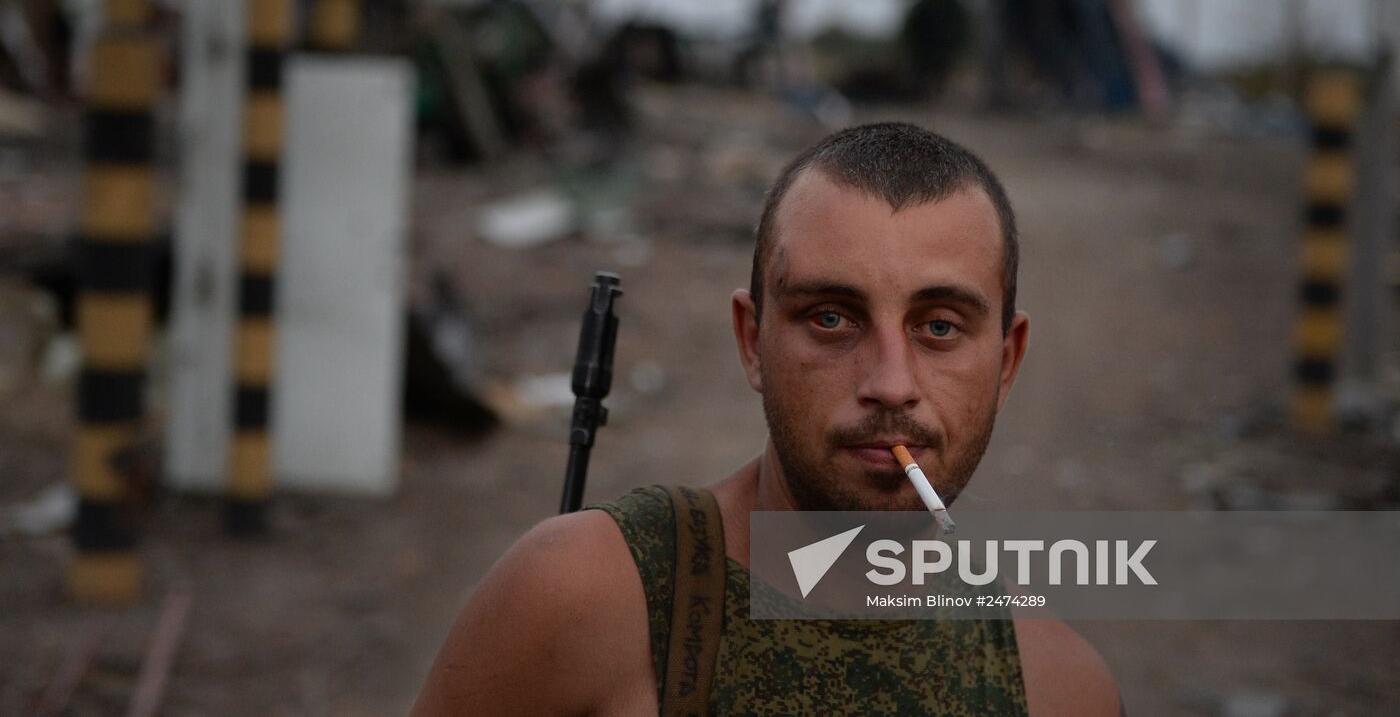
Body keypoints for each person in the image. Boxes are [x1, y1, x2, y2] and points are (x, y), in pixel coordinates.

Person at [411, 122, 1122, 715]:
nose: (890, 385)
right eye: (832, 318)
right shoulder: (585, 601)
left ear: (1006, 361)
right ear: (753, 341)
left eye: (939, 327)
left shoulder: (1057, 688)